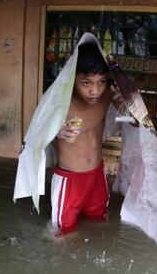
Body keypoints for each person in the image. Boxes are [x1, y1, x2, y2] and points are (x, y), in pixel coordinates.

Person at [50, 42, 119, 235]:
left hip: (97, 176)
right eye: (87, 83)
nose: (95, 91)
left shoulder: (107, 96)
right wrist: (54, 130)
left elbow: (135, 120)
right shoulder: (60, 102)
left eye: (101, 82)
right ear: (73, 79)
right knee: (61, 234)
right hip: (69, 181)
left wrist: (127, 103)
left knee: (100, 225)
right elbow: (36, 132)